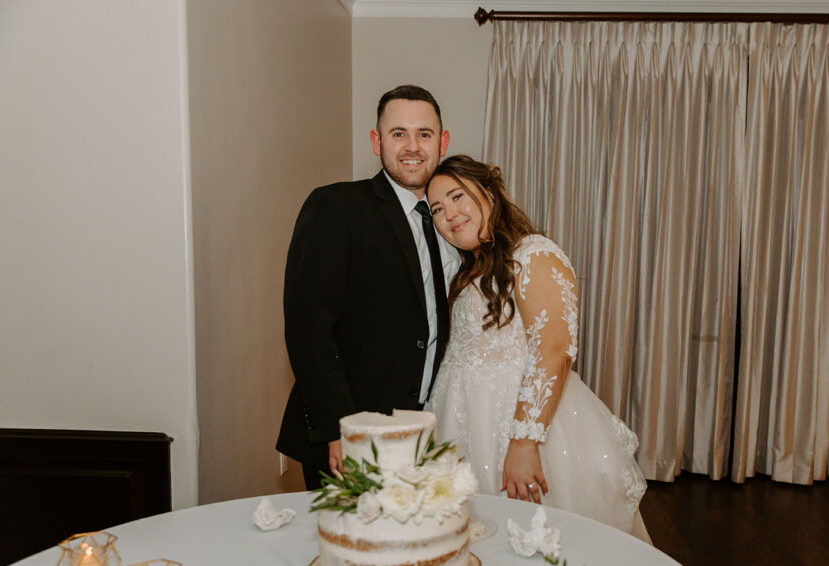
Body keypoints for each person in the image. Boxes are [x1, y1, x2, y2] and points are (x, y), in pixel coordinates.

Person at [424, 155, 649, 538]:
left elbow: (554, 349)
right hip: (461, 426)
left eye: (458, 196)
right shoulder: (468, 272)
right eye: (437, 209)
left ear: (489, 192)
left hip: (522, 425)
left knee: (542, 540)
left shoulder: (532, 254)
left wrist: (525, 442)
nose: (450, 214)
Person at [277, 85, 460, 490]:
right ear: (377, 142)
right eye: (399, 134)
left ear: (442, 142)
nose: (412, 146)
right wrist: (338, 429)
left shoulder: (449, 219)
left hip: (421, 430)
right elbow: (309, 329)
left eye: (424, 134)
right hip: (352, 432)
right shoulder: (336, 207)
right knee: (348, 549)